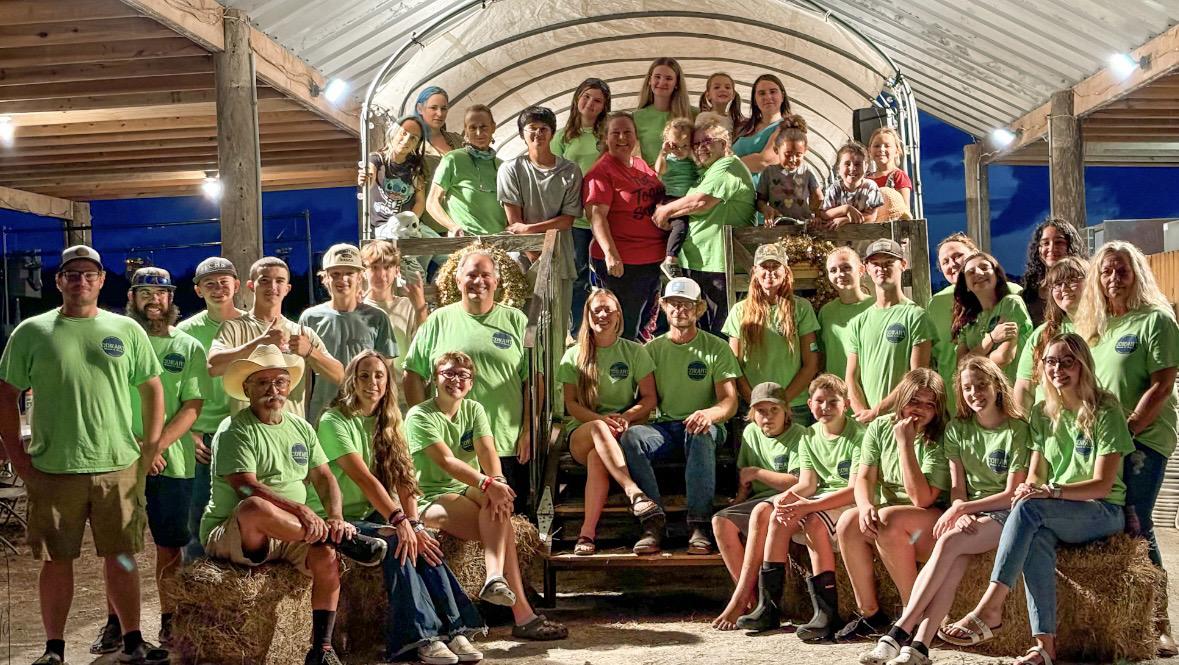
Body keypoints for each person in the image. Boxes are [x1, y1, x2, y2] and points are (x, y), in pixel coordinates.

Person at [0, 245, 167, 665]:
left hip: (118, 466)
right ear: (59, 280)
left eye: (90, 274)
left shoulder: (125, 330)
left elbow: (152, 388)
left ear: (102, 280)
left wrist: (150, 447)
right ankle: (54, 649)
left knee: (123, 556)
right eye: (72, 274)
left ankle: (132, 640)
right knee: (57, 560)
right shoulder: (32, 332)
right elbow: (6, 394)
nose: (81, 281)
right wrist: (18, 457)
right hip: (54, 468)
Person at [944, 333, 1133, 665]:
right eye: (1051, 362)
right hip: (1057, 510)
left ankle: (991, 606)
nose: (1058, 369)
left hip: (1101, 510)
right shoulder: (1043, 413)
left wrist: (1050, 492)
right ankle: (1044, 646)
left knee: (1031, 510)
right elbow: (1035, 474)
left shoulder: (1106, 409)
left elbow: (1103, 485)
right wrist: (1027, 488)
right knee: (1035, 533)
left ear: (1083, 365)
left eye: (1067, 362)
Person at [200, 345, 387, 665]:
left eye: (280, 382)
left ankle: (322, 649)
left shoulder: (300, 427)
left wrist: (336, 516)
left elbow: (325, 477)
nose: (273, 390)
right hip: (243, 533)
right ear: (247, 388)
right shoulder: (234, 429)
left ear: (289, 387)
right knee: (254, 506)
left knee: (326, 557)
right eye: (263, 382)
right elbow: (245, 486)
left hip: (292, 533)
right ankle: (339, 539)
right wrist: (302, 510)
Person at [306, 351, 484, 664]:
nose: (372, 382)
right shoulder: (334, 420)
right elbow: (364, 479)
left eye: (379, 376)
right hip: (337, 517)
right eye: (364, 376)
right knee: (395, 542)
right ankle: (423, 637)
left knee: (424, 542)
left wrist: (414, 523)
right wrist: (399, 520)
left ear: (388, 383)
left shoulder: (391, 420)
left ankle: (456, 629)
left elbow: (404, 478)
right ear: (351, 381)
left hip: (371, 514)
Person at [859, 357, 1028, 665]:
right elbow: (957, 487)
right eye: (968, 388)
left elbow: (1010, 495)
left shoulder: (1017, 429)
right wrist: (960, 510)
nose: (975, 393)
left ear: (998, 386)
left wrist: (962, 509)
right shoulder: (957, 429)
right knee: (955, 560)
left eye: (982, 385)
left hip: (1007, 513)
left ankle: (899, 630)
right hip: (971, 513)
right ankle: (920, 647)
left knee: (949, 542)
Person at [408, 351, 568, 641]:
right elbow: (446, 461)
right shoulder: (419, 415)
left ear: (471, 383)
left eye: (463, 375)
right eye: (448, 373)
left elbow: (487, 451)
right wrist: (487, 484)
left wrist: (499, 483)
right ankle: (516, 607)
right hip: (430, 494)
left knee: (498, 505)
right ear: (434, 379)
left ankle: (496, 580)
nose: (456, 380)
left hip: (466, 485)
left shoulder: (474, 409)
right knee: (500, 522)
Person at [96, 267, 209, 650]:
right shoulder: (115, 342)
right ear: (131, 298)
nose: (154, 300)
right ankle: (115, 623)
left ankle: (168, 619)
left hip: (172, 462)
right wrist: (137, 448)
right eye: (145, 293)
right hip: (119, 459)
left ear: (171, 298)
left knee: (169, 546)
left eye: (161, 293)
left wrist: (154, 448)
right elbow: (104, 401)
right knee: (119, 548)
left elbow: (192, 406)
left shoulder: (187, 346)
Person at [1075, 241, 1178, 653]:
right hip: (1102, 441)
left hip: (1142, 439)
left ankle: (1161, 624)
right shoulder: (1094, 328)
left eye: (1122, 270)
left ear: (1137, 274)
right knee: (1109, 522)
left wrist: (1129, 429)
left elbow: (1163, 384)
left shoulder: (1156, 320)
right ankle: (1121, 623)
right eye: (1106, 271)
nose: (1113, 278)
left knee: (1138, 522)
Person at [731, 374, 865, 636]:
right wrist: (785, 499)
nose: (825, 407)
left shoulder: (859, 435)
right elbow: (807, 484)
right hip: (820, 497)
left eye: (833, 402)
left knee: (814, 522)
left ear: (846, 405)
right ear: (809, 404)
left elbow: (854, 491)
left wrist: (807, 506)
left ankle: (826, 613)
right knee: (778, 516)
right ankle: (768, 608)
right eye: (819, 401)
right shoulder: (809, 436)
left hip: (849, 500)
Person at [403, 250, 531, 512]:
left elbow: (531, 380)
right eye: (472, 275)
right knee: (463, 522)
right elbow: (412, 372)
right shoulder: (438, 320)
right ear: (458, 280)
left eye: (485, 275)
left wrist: (528, 428)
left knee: (507, 517)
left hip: (505, 442)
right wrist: (425, 424)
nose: (478, 281)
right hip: (452, 450)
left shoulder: (516, 320)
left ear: (496, 282)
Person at [619, 277, 740, 554]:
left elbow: (730, 402)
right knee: (632, 437)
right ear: (664, 307)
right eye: (673, 303)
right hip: (665, 428)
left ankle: (699, 524)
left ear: (699, 309)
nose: (679, 310)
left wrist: (708, 414)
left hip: (705, 428)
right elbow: (646, 399)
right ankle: (652, 521)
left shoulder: (716, 347)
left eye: (687, 304)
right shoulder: (651, 349)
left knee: (699, 432)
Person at [835, 368, 950, 641]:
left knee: (888, 520)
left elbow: (922, 499)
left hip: (931, 525)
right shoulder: (880, 426)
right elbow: (864, 478)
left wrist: (905, 444)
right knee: (849, 522)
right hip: (894, 523)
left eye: (929, 404)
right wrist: (865, 505)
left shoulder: (941, 434)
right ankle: (870, 614)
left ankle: (913, 615)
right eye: (914, 401)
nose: (920, 410)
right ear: (901, 399)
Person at [558, 289, 661, 554]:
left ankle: (586, 535)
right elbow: (571, 404)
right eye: (596, 310)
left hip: (621, 430)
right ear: (587, 315)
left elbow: (650, 398)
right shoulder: (573, 355)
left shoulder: (634, 351)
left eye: (608, 310)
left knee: (597, 459)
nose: (602, 315)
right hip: (583, 432)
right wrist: (601, 420)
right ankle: (633, 491)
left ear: (618, 316)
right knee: (597, 430)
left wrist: (626, 416)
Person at [711, 381, 807, 630]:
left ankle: (739, 600)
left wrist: (757, 472)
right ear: (752, 414)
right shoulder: (751, 433)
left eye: (774, 410)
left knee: (760, 511)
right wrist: (739, 499)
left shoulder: (800, 435)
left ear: (786, 411)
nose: (768, 417)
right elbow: (745, 478)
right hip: (759, 499)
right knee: (720, 521)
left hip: (789, 499)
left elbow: (798, 481)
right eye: (761, 411)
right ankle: (753, 603)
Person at [652, 118, 756, 335]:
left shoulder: (728, 166)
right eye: (696, 143)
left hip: (719, 266)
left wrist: (664, 211)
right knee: (699, 334)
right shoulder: (704, 171)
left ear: (724, 143)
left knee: (720, 333)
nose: (701, 147)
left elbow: (701, 201)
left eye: (707, 141)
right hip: (698, 265)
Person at [208, 256, 344, 420]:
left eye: (279, 281)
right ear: (251, 286)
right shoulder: (233, 328)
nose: (272, 287)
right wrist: (260, 343)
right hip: (247, 429)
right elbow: (213, 367)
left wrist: (310, 352)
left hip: (291, 430)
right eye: (264, 280)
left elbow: (340, 376)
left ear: (287, 288)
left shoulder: (301, 332)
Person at [177, 256, 246, 557]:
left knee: (246, 513)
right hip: (202, 437)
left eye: (223, 282)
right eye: (210, 284)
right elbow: (173, 388)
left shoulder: (252, 326)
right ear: (198, 290)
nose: (218, 289)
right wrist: (187, 433)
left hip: (243, 434)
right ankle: (196, 580)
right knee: (196, 519)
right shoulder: (184, 332)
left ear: (236, 286)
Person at [498, 105, 582, 340]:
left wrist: (530, 229)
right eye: (531, 128)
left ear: (552, 133)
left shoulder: (571, 171)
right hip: (523, 259)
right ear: (521, 134)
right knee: (521, 329)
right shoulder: (510, 169)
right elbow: (514, 222)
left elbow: (567, 219)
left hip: (560, 259)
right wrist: (536, 257)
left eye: (544, 128)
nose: (538, 134)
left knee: (555, 330)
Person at [584, 111, 668, 341]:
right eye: (616, 133)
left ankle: (638, 361)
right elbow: (596, 216)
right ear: (606, 137)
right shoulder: (601, 172)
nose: (622, 138)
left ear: (636, 136)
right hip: (624, 262)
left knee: (646, 326)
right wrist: (611, 254)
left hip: (652, 260)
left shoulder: (640, 164)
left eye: (627, 132)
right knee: (624, 326)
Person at [298, 244, 398, 424]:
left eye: (349, 273)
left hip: (365, 416)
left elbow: (386, 374)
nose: (342, 279)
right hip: (322, 415)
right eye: (335, 274)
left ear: (360, 276)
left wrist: (388, 416)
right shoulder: (310, 318)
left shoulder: (377, 318)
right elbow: (304, 377)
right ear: (325, 277)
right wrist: (303, 418)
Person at [722, 243, 820, 424]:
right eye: (764, 266)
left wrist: (782, 402)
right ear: (755, 271)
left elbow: (811, 363)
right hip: (754, 407)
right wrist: (755, 402)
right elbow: (733, 365)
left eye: (775, 266)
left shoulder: (801, 308)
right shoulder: (739, 310)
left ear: (786, 271)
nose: (770, 272)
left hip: (794, 406)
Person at [846, 239, 936, 424]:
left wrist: (877, 411)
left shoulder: (916, 316)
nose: (882, 268)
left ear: (903, 265)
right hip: (869, 423)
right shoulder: (858, 322)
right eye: (875, 263)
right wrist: (864, 414)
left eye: (889, 262)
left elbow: (917, 376)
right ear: (867, 268)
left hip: (904, 420)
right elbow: (851, 377)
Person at [551, 79, 611, 337]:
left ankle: (608, 328)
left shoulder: (607, 135)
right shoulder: (563, 136)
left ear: (604, 106)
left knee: (606, 274)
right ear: (577, 98)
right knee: (577, 276)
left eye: (597, 100)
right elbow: (551, 173)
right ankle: (578, 332)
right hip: (575, 218)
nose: (590, 104)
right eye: (586, 97)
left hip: (603, 216)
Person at [359, 115, 435, 295]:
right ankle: (412, 276)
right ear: (393, 132)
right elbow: (369, 175)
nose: (406, 140)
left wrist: (412, 220)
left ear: (418, 143)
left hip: (409, 225)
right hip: (385, 226)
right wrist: (365, 177)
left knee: (440, 246)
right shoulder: (377, 158)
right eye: (404, 133)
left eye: (413, 138)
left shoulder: (415, 166)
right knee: (402, 244)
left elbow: (420, 201)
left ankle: (427, 280)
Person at [361, 240, 426, 413]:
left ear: (397, 271)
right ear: (364, 272)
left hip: (405, 395)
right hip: (369, 397)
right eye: (374, 267)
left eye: (387, 267)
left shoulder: (408, 306)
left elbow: (423, 344)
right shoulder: (358, 308)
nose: (381, 274)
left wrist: (420, 309)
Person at [1014, 257, 1085, 411]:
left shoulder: (1107, 326)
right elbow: (1024, 388)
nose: (1064, 288)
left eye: (1072, 280)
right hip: (1048, 422)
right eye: (1057, 284)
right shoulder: (1042, 334)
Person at [427, 104, 509, 236]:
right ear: (465, 130)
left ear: (493, 127)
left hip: (499, 241)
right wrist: (453, 227)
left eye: (484, 127)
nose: (479, 133)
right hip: (465, 241)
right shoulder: (453, 160)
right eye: (472, 128)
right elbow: (432, 202)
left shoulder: (503, 167)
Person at [952, 252, 1033, 385]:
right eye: (971, 272)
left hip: (1014, 392)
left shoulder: (1011, 303)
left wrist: (971, 361)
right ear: (965, 285)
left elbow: (1003, 357)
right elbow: (960, 365)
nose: (979, 273)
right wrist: (991, 338)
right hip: (982, 395)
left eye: (984, 268)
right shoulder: (968, 323)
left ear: (997, 276)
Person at [413, 86, 468, 252]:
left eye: (444, 109)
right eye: (433, 108)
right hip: (427, 225)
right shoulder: (412, 143)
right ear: (420, 108)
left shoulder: (458, 141)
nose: (439, 113)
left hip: (460, 222)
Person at [654, 117, 700, 281]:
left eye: (685, 146)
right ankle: (670, 259)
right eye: (675, 146)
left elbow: (701, 167)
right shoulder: (669, 160)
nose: (680, 150)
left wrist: (693, 152)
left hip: (687, 200)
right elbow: (659, 170)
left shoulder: (691, 161)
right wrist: (664, 152)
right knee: (680, 225)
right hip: (671, 199)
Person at [818, 247, 873, 383]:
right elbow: (822, 356)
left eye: (846, 268)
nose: (840, 274)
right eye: (833, 270)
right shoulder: (826, 312)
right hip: (836, 392)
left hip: (869, 389)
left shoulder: (876, 307)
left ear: (861, 269)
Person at [755, 115, 823, 225]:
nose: (793, 159)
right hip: (778, 226)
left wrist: (815, 215)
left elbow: (818, 197)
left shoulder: (806, 171)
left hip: (803, 225)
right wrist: (766, 209)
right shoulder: (769, 172)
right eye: (787, 155)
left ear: (805, 151)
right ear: (776, 150)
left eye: (798, 155)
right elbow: (760, 201)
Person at [1021, 217, 1089, 325]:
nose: (1052, 248)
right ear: (1038, 249)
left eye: (1059, 242)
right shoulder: (1029, 290)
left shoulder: (1086, 281)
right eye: (1046, 243)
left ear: (1071, 245)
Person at [632, 57, 695, 166]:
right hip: (652, 176)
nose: (662, 82)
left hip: (687, 175)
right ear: (649, 80)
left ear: (676, 83)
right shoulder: (637, 117)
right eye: (657, 77)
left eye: (668, 78)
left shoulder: (694, 113)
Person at [732, 74, 791, 186]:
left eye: (773, 92)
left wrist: (725, 166)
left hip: (758, 193)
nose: (768, 97)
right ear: (755, 100)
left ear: (782, 96)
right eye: (762, 93)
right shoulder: (744, 127)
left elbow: (765, 161)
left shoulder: (787, 127)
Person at [818, 141, 883, 229]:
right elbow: (824, 214)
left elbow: (871, 217)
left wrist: (846, 220)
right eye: (847, 164)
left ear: (866, 166)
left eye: (857, 164)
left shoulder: (870, 187)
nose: (852, 168)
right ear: (838, 167)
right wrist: (845, 209)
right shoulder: (834, 189)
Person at [865, 128, 913, 205]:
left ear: (897, 151)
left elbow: (904, 209)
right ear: (869, 151)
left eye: (887, 146)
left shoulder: (898, 177)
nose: (881, 149)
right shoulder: (865, 179)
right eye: (876, 146)